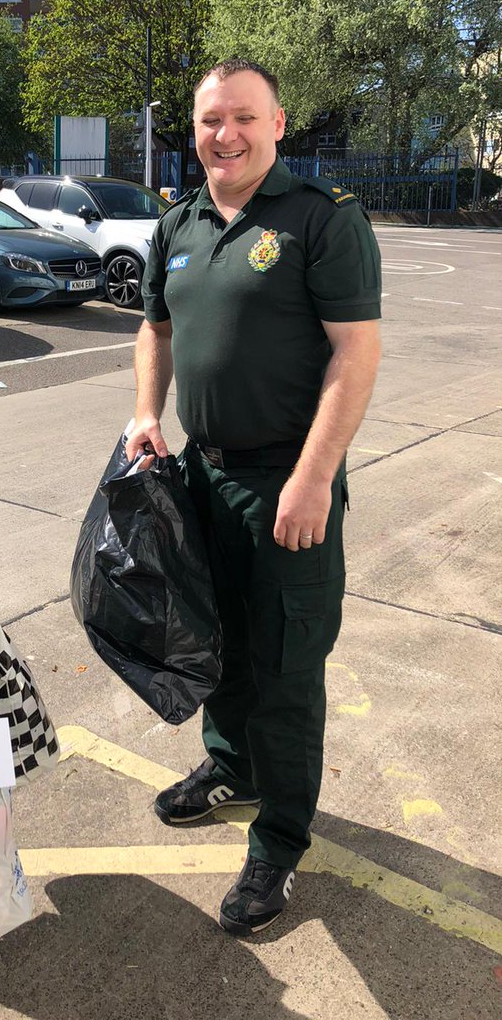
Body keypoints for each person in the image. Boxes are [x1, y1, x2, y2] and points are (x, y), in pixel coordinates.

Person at [127, 59, 381, 937]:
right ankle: (229, 767)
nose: (224, 135)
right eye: (208, 120)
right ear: (191, 130)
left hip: (287, 478)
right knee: (219, 642)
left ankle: (279, 838)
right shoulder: (180, 223)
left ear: (279, 123)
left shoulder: (321, 221)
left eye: (242, 118)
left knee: (284, 665)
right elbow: (154, 327)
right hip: (201, 474)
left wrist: (314, 475)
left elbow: (355, 354)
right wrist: (144, 415)